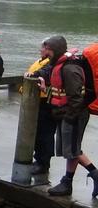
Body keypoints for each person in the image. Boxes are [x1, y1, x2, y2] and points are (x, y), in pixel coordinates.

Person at [44, 36, 98, 198]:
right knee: (70, 149)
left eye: (47, 49)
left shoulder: (69, 69)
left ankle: (68, 182)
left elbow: (76, 97)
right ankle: (91, 175)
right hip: (67, 113)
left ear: (55, 50)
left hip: (75, 114)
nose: (44, 52)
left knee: (72, 149)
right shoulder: (59, 65)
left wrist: (69, 116)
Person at [26, 40, 55, 175]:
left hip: (47, 103)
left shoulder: (52, 63)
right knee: (38, 133)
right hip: (39, 101)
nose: (41, 50)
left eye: (43, 48)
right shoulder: (43, 61)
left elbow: (46, 71)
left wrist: (35, 74)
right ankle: (38, 160)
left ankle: (43, 163)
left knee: (45, 134)